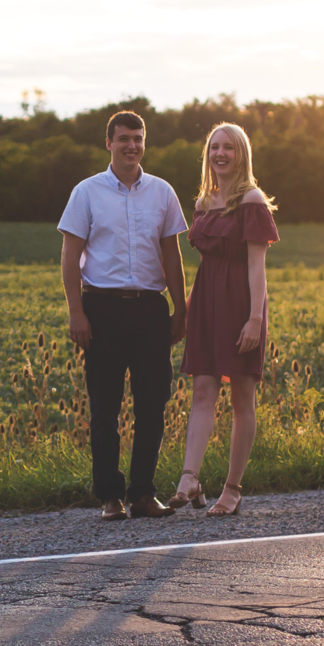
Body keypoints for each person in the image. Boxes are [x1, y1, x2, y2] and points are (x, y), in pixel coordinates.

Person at [59, 110, 190, 519]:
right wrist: (76, 312)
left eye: (138, 137)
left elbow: (173, 256)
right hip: (101, 309)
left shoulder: (162, 192)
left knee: (153, 402)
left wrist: (181, 310)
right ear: (108, 143)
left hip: (151, 308)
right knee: (105, 406)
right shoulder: (87, 192)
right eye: (124, 138)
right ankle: (110, 497)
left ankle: (143, 494)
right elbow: (69, 256)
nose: (132, 145)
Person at [169, 122, 278, 517]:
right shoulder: (202, 204)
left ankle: (232, 489)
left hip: (241, 305)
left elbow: (256, 267)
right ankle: (189, 477)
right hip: (207, 302)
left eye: (229, 147)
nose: (220, 154)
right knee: (202, 390)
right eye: (215, 147)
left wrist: (254, 319)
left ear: (241, 154)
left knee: (241, 397)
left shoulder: (251, 200)